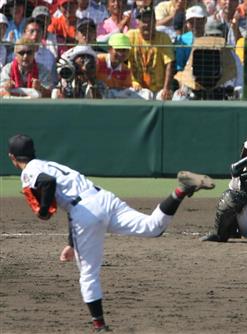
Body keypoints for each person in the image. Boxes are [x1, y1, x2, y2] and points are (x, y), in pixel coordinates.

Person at [7, 134, 215, 333]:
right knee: (152, 227)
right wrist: (72, 242)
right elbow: (65, 191)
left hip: (85, 212)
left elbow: (47, 183)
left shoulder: (29, 171)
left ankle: (99, 326)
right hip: (103, 199)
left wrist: (43, 211)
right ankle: (180, 191)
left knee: (88, 274)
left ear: (12, 157)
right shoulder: (49, 163)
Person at [126, 5, 175, 100]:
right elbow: (122, 59)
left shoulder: (163, 37)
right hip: (136, 88)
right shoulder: (130, 35)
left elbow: (169, 64)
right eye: (144, 21)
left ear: (155, 22)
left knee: (166, 98)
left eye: (150, 21)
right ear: (138, 22)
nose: (147, 25)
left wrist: (166, 88)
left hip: (159, 89)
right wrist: (131, 82)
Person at [175, 4, 207, 72]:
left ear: (205, 20)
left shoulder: (212, 38)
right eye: (191, 21)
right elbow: (179, 66)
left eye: (198, 20)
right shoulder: (181, 40)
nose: (195, 24)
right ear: (187, 23)